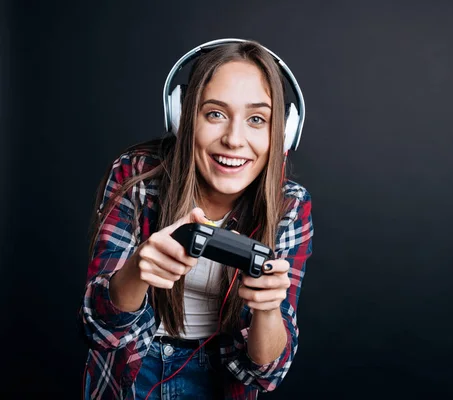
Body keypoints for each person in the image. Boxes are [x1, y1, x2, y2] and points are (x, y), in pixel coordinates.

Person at [78, 38, 314, 400]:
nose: (234, 140)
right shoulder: (137, 175)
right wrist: (137, 269)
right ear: (183, 118)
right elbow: (100, 330)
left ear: (282, 133)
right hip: (130, 375)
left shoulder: (289, 207)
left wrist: (268, 309)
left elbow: (265, 374)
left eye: (256, 119)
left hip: (221, 380)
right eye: (215, 114)